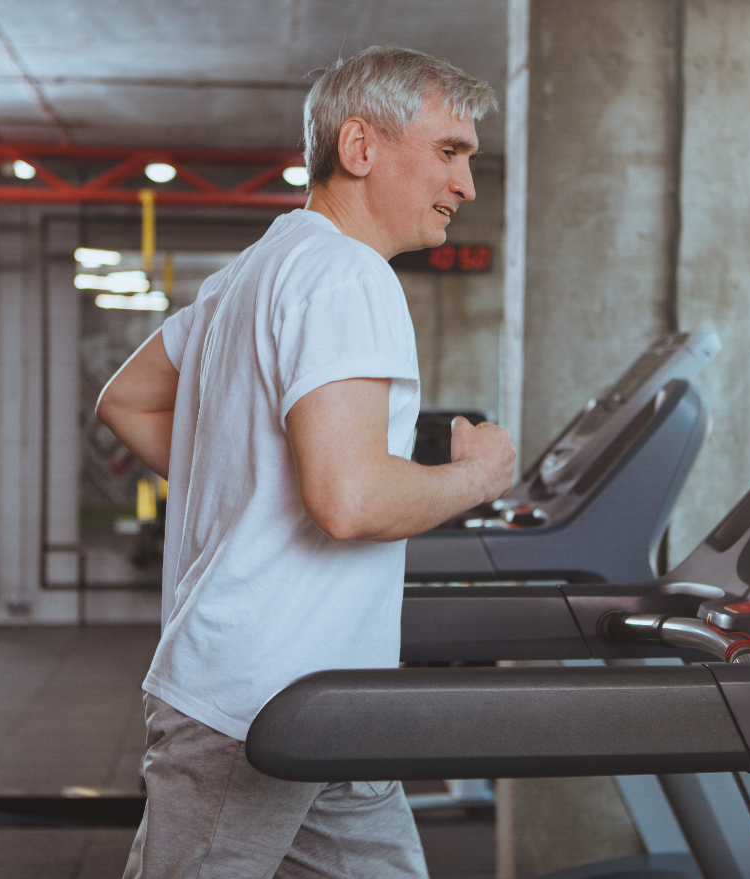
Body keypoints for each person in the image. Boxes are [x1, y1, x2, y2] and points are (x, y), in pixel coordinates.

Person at [96, 46, 515, 879]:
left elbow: (127, 400)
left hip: (330, 700)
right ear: (359, 148)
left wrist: (253, 480)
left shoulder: (249, 273)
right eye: (447, 152)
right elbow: (350, 500)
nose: (466, 184)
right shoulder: (347, 275)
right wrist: (480, 475)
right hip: (254, 699)